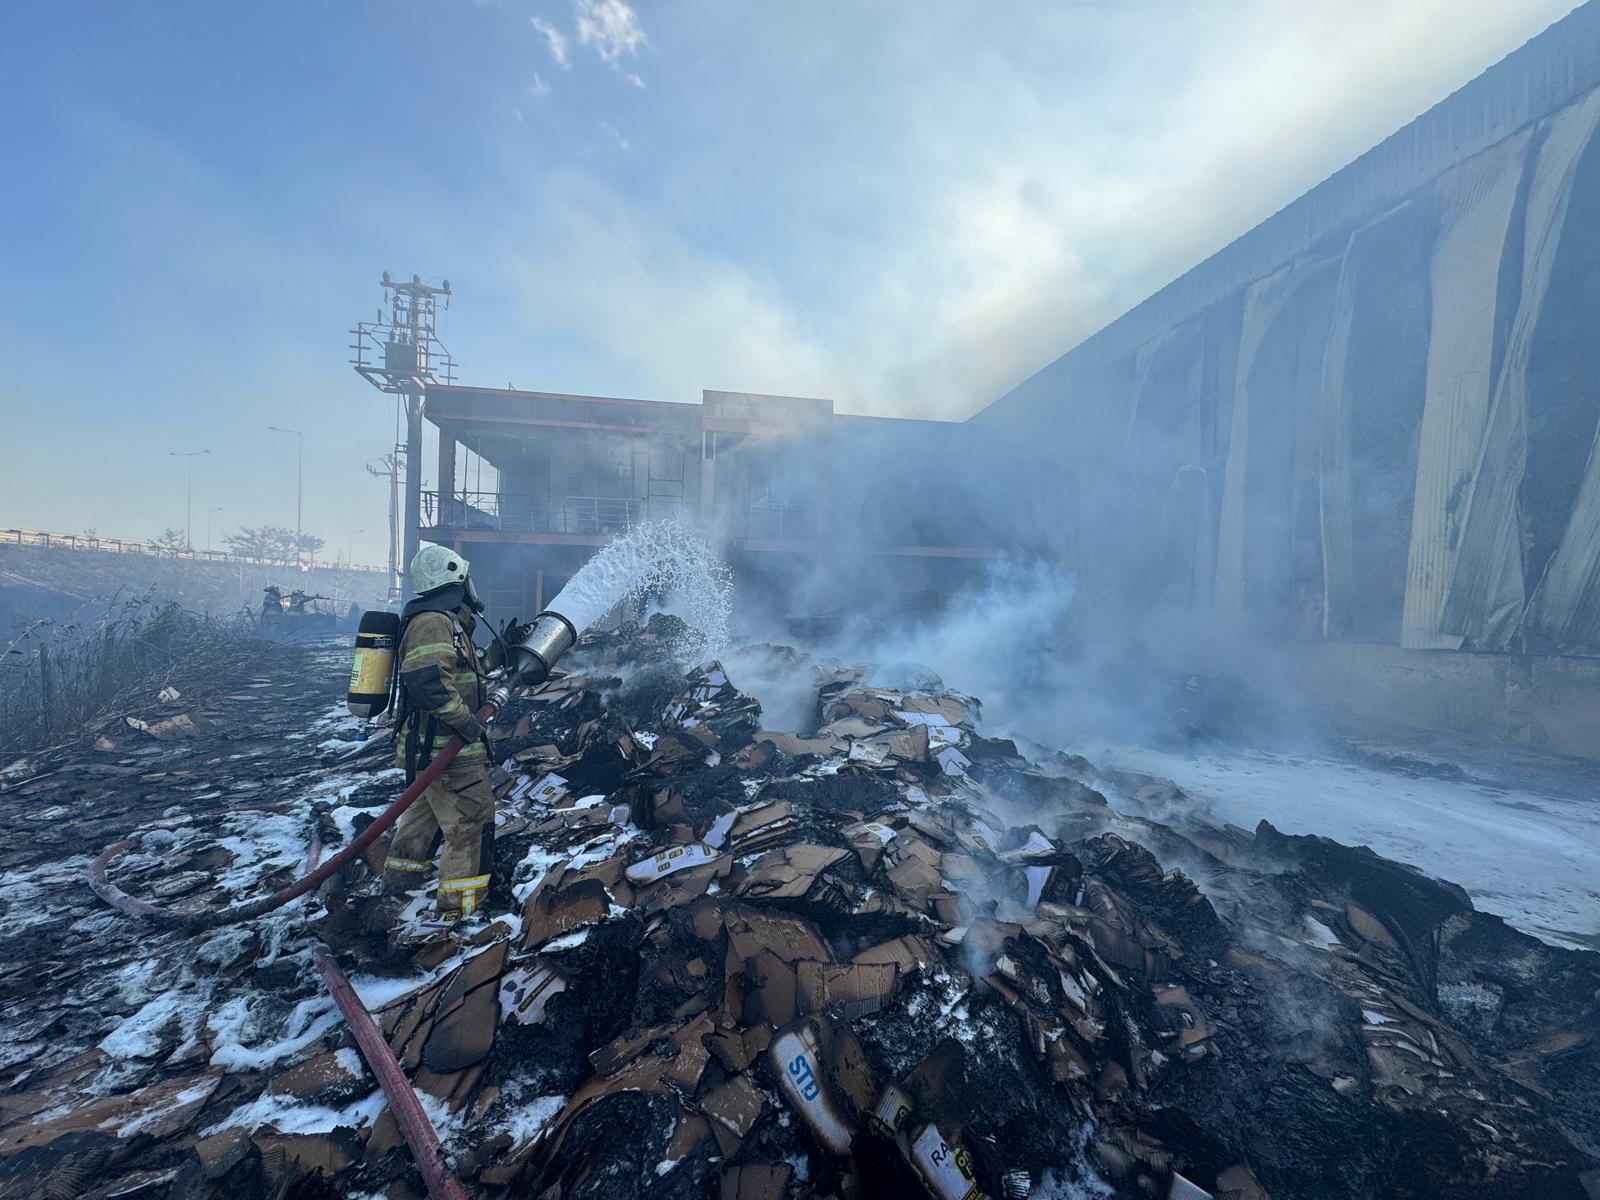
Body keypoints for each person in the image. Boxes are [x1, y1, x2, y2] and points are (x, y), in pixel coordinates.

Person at [381, 543, 500, 925]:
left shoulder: (445, 621)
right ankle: (460, 911)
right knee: (470, 821)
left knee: (422, 815)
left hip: (430, 749)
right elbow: (428, 684)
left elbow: (464, 671)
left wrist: (499, 653)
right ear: (456, 579)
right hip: (447, 751)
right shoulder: (434, 621)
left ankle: (398, 883)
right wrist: (467, 724)